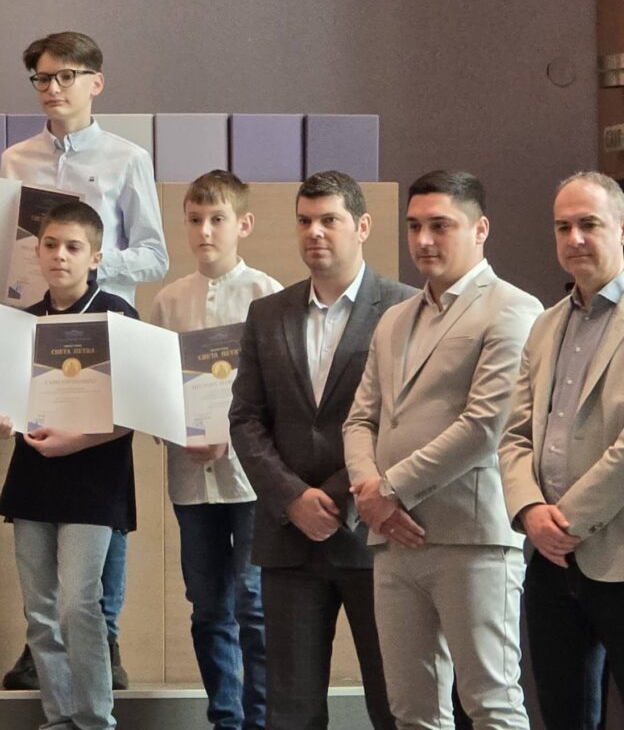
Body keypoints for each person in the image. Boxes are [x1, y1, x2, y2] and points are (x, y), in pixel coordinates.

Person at [0, 28, 167, 691]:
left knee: (100, 494)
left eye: (65, 76)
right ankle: (41, 647)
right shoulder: (15, 159)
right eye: (42, 78)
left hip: (104, 332)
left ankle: (105, 633)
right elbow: (6, 251)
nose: (53, 88)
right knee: (43, 486)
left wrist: (87, 260)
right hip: (36, 329)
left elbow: (154, 255)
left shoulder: (127, 157)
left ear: (95, 82)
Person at [342, 170, 541, 729]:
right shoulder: (394, 318)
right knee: (411, 711)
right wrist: (370, 494)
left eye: (440, 226)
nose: (424, 240)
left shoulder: (513, 308)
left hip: (471, 539)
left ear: (480, 229)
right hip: (392, 539)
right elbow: (360, 419)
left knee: (492, 704)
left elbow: (484, 426)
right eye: (414, 226)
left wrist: (389, 489)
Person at [231, 171, 412, 729]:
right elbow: (245, 418)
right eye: (305, 221)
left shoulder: (403, 308)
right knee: (291, 710)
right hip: (288, 539)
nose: (315, 232)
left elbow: (400, 421)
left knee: (395, 701)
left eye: (329, 220)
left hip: (372, 532)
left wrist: (334, 498)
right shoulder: (268, 313)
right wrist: (292, 498)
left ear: (362, 226)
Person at [0, 202, 138, 730]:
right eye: (50, 245)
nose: (59, 256)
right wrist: (1, 421)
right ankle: (59, 717)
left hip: (95, 481)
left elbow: (136, 410)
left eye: (73, 247)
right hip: (33, 478)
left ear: (95, 257)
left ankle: (95, 719)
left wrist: (76, 442)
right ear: (37, 250)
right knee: (39, 611)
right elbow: (8, 402)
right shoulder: (23, 322)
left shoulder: (119, 316)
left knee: (79, 603)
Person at [150, 170, 277, 730]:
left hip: (250, 480)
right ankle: (226, 718)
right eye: (195, 219)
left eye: (217, 219)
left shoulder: (267, 294)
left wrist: (233, 435)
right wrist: (173, 427)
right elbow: (153, 389)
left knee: (253, 602)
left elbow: (283, 391)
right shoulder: (167, 301)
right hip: (189, 477)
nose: (204, 231)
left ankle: (261, 720)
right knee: (207, 606)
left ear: (243, 224)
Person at [501, 171, 624, 729]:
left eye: (588, 224)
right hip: (551, 561)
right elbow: (514, 434)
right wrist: (530, 510)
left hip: (614, 553)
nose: (574, 238)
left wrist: (566, 519)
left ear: (620, 229)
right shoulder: (545, 324)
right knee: (562, 715)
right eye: (562, 227)